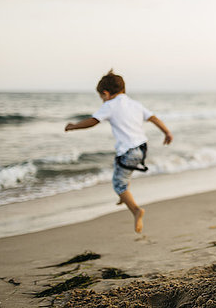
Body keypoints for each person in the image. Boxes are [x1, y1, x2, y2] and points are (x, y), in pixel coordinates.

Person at [65, 70, 173, 233]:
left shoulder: (109, 105)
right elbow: (154, 118)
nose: (102, 100)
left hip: (128, 150)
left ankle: (136, 210)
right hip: (142, 148)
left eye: (101, 96)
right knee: (121, 169)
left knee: (118, 183)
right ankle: (124, 196)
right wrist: (167, 132)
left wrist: (73, 127)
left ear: (106, 93)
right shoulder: (135, 104)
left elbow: (93, 121)